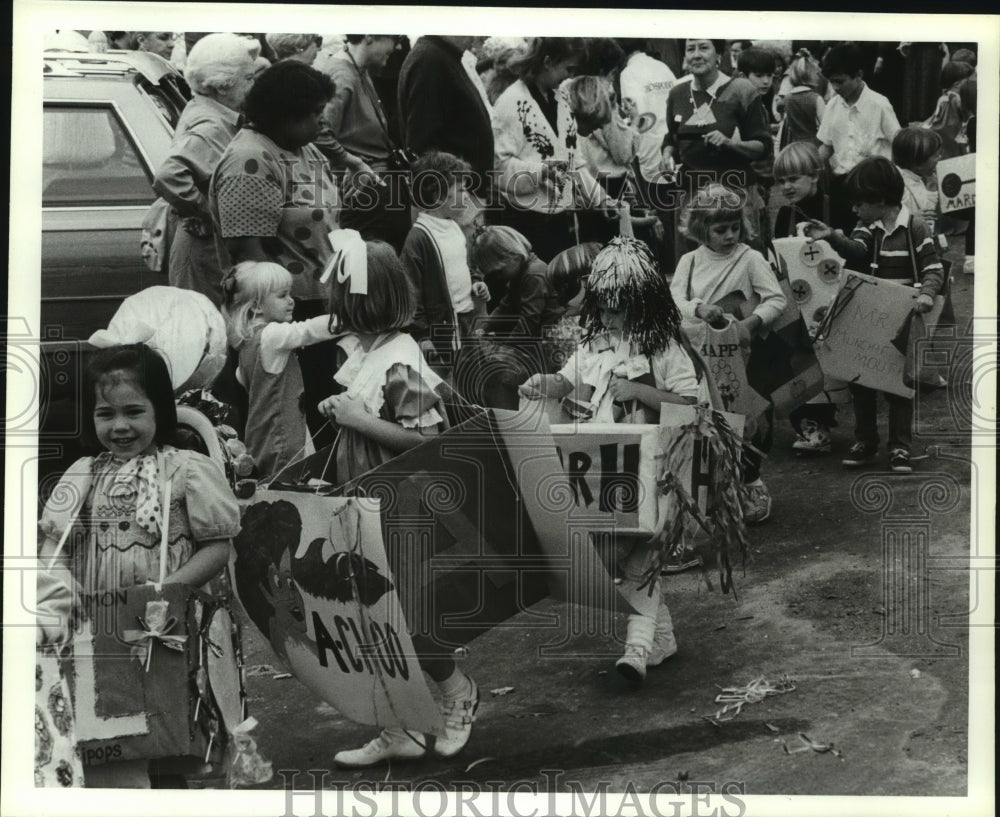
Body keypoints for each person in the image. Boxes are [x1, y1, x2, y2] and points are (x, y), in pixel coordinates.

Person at [38, 344, 240, 787]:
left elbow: (218, 548)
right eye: (105, 414)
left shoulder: (185, 471)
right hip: (100, 635)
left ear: (159, 410)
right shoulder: (83, 473)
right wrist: (63, 596)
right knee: (110, 740)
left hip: (164, 631)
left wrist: (167, 591)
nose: (120, 425)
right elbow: (54, 552)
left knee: (165, 734)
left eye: (133, 411)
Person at [316, 239, 480, 767]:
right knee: (371, 616)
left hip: (399, 504)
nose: (333, 315)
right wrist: (340, 407)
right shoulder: (370, 351)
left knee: (406, 614)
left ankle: (457, 693)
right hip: (366, 498)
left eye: (341, 304)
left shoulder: (399, 358)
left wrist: (358, 420)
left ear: (364, 305)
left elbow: (428, 441)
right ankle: (399, 726)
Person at [519, 237, 701, 681]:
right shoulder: (594, 346)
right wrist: (542, 383)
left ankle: (636, 650)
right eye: (604, 308)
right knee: (618, 560)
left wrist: (639, 391)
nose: (610, 317)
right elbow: (567, 383)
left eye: (620, 308)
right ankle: (661, 636)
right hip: (605, 470)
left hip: (655, 470)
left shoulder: (663, 348)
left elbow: (692, 405)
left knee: (644, 557)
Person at [210, 61, 341, 447]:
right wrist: (276, 321)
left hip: (315, 301)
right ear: (283, 114)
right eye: (314, 114)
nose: (322, 123)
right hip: (284, 314)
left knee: (321, 410)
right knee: (287, 425)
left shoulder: (303, 149)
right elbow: (250, 253)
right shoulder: (250, 160)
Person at [804, 157, 944, 473]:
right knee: (862, 381)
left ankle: (900, 448)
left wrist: (926, 293)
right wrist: (833, 237)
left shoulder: (916, 227)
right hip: (870, 314)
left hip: (903, 318)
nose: (854, 209)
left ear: (880, 200)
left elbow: (933, 268)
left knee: (899, 386)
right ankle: (865, 441)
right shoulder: (867, 227)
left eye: (859, 203)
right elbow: (857, 252)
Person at [670, 184, 786, 523]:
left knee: (747, 416)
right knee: (709, 415)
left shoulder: (749, 258)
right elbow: (674, 301)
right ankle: (717, 488)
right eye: (721, 229)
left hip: (743, 354)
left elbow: (776, 298)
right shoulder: (689, 262)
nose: (730, 235)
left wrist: (750, 324)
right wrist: (699, 307)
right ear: (701, 228)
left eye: (735, 227)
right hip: (699, 354)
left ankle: (753, 481)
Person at [492, 37, 623, 262]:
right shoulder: (511, 102)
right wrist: (540, 171)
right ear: (548, 61)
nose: (570, 76)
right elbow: (498, 167)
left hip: (561, 219)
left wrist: (601, 199)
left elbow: (575, 162)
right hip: (527, 221)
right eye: (568, 68)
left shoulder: (561, 97)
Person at [152, 33, 257, 305]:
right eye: (248, 79)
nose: (254, 85)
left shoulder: (206, 108)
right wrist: (207, 214)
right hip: (203, 250)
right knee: (209, 330)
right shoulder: (211, 125)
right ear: (222, 86)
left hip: (204, 249)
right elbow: (170, 175)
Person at [222, 261, 338, 479]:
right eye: (282, 295)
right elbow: (307, 331)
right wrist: (348, 317)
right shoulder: (271, 336)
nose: (291, 301)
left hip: (263, 438)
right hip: (283, 438)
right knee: (292, 488)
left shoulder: (246, 344)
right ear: (256, 306)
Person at [664, 39, 771, 260]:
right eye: (690, 49)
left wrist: (730, 143)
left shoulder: (741, 90)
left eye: (703, 47)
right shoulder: (677, 94)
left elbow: (762, 146)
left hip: (734, 195)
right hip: (692, 196)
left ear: (719, 55)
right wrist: (666, 152)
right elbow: (672, 138)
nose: (696, 55)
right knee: (695, 266)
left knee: (741, 264)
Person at [770, 141, 842, 454]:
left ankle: (823, 421)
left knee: (827, 363)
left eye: (793, 179)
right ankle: (808, 425)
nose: (786, 186)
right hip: (794, 298)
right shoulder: (784, 214)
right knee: (797, 362)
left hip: (829, 297)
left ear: (814, 176)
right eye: (781, 180)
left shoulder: (833, 205)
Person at [316, 34, 412, 252]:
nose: (397, 46)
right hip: (365, 190)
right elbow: (319, 133)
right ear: (369, 36)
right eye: (393, 38)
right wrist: (353, 163)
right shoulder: (341, 74)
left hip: (376, 186)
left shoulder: (360, 69)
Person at [401, 151, 489, 379]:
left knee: (474, 378)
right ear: (438, 196)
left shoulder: (455, 227)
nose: (467, 196)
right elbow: (411, 292)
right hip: (440, 330)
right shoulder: (419, 237)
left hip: (466, 318)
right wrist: (422, 336)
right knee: (447, 385)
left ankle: (478, 413)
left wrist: (476, 282)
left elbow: (465, 265)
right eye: (460, 190)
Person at [817, 42, 901, 234]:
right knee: (845, 238)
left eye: (840, 81)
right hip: (842, 188)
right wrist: (806, 166)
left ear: (859, 75)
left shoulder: (879, 105)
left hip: (874, 189)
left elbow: (898, 144)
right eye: (831, 82)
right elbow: (826, 147)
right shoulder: (832, 106)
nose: (835, 87)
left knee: (874, 239)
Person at [398, 35, 494, 198]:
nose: (486, 34)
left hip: (460, 198)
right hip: (451, 203)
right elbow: (422, 146)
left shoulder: (442, 56)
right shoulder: (430, 60)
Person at [775, 49, 826, 150]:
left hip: (793, 145)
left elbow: (783, 122)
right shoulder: (815, 98)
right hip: (813, 145)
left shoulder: (788, 99)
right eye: (816, 73)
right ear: (809, 76)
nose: (818, 76)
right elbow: (825, 126)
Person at [924, 59, 974, 160]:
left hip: (944, 139)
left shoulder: (944, 97)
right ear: (957, 84)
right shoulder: (956, 99)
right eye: (968, 81)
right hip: (952, 139)